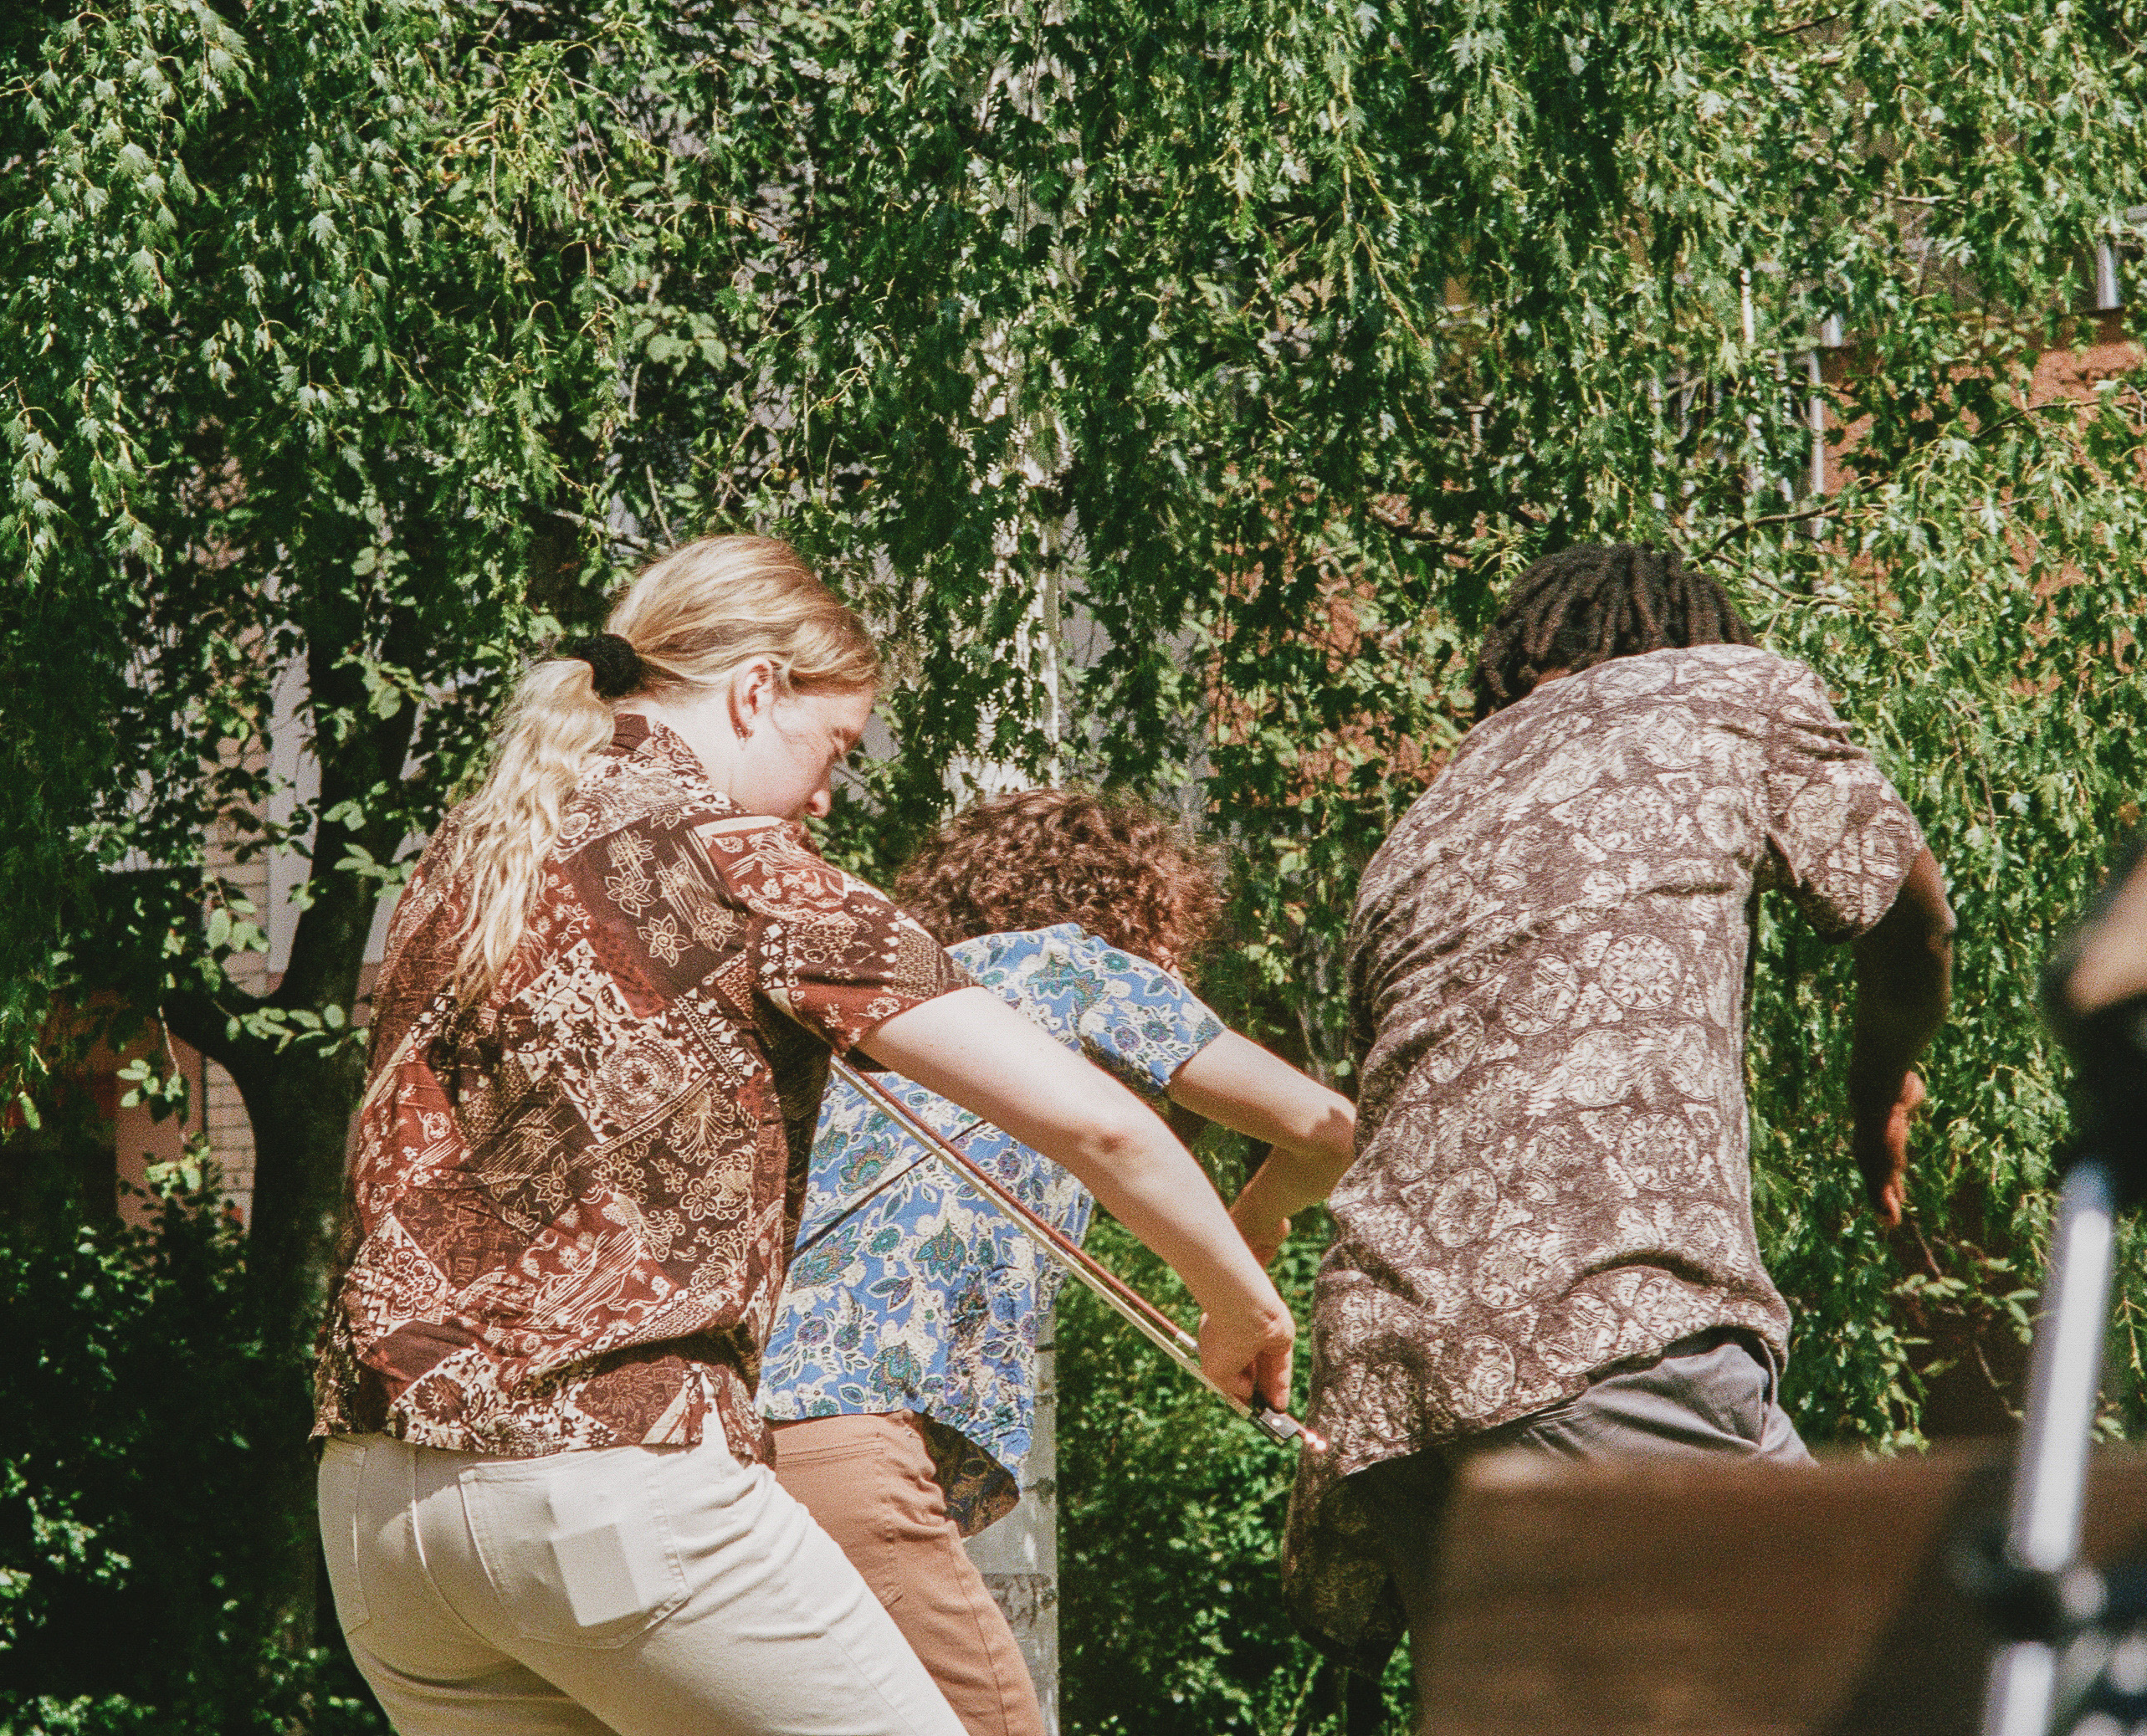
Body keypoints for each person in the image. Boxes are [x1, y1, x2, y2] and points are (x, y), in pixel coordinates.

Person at [308, 535, 1296, 1736]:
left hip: (378, 1516)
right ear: (754, 688)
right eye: (834, 745)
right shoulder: (735, 860)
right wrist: (1242, 1303)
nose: (828, 793)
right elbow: (1098, 1121)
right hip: (610, 1485)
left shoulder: (469, 855)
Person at [1258, 544, 1958, 1692]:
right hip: (1603, 1328)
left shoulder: (1419, 823)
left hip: (1389, 1388)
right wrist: (1874, 1091)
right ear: (1689, 630)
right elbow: (1913, 926)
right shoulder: (1733, 687)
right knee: (1880, 1675)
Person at [756, 788, 1356, 1736]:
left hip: (714, 1444)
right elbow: (1325, 1128)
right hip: (850, 1435)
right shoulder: (1069, 962)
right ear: (1141, 907)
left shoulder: (873, 1013)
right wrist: (1256, 1221)